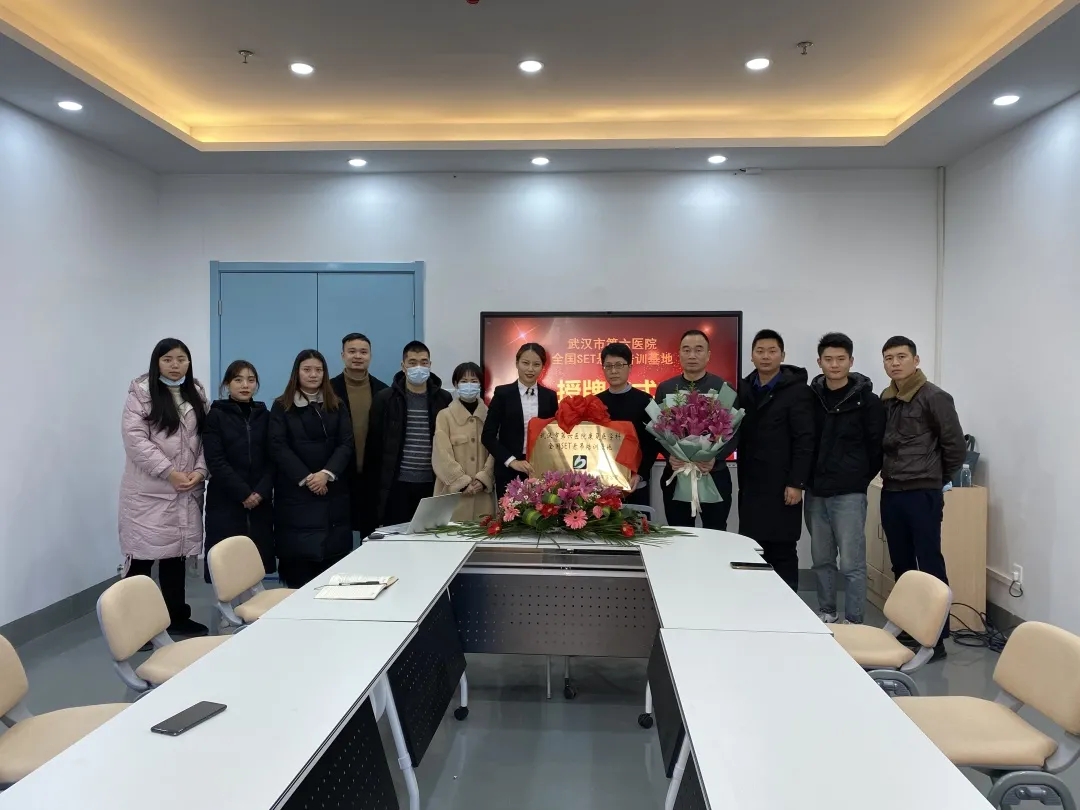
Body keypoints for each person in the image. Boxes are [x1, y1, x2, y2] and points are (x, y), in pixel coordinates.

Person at [880, 336, 966, 658]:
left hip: (922, 493)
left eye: (901, 356)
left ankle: (936, 638)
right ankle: (908, 626)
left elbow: (955, 447)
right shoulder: (886, 398)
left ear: (916, 360)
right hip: (892, 490)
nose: (895, 363)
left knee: (929, 564)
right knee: (901, 565)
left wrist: (936, 479)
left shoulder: (935, 397)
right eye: (888, 358)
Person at [118, 338, 209, 637]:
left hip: (184, 490)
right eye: (167, 359)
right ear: (157, 363)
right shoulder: (141, 394)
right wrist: (169, 472)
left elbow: (207, 438)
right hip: (148, 493)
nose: (175, 365)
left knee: (175, 556)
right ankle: (135, 630)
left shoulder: (196, 393)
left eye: (181, 359)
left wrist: (200, 471)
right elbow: (135, 441)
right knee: (141, 560)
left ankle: (177, 618)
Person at [805, 333, 885, 625]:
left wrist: (857, 477)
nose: (835, 364)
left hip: (849, 493)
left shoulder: (868, 402)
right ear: (819, 362)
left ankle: (854, 620)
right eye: (828, 359)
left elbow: (877, 448)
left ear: (851, 361)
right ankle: (827, 612)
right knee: (822, 559)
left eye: (841, 359)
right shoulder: (811, 399)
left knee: (852, 562)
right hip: (816, 492)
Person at [736, 329, 814, 591]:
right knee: (752, 547)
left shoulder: (798, 391)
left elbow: (805, 440)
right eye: (760, 351)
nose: (766, 356)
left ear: (782, 355)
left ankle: (788, 604)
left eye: (772, 351)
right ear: (751, 356)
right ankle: (755, 602)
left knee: (783, 547)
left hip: (784, 484)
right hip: (751, 484)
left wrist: (797, 482)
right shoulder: (744, 389)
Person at [269, 350, 354, 588]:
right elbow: (277, 446)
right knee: (299, 573)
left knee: (332, 572)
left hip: (332, 492)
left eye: (318, 370)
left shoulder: (336, 404)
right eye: (307, 369)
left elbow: (346, 443)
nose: (313, 374)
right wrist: (308, 478)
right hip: (296, 495)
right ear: (297, 373)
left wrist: (326, 474)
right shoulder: (282, 406)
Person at [365, 341, 452, 526]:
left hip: (432, 483)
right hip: (397, 485)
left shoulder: (444, 399)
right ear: (403, 366)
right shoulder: (385, 399)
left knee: (429, 536)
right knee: (398, 537)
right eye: (412, 362)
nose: (418, 367)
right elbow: (374, 446)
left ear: (430, 365)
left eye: (423, 362)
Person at [654, 330, 736, 529]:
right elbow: (658, 429)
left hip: (714, 473)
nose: (692, 355)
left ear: (708, 355)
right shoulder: (666, 388)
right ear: (679, 354)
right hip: (677, 473)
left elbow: (734, 432)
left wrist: (715, 458)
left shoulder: (723, 388)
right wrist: (669, 455)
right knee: (680, 533)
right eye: (687, 350)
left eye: (698, 350)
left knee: (716, 534)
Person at [203, 360, 275, 584]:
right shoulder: (215, 416)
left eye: (251, 380)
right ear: (227, 384)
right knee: (227, 565)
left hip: (260, 500)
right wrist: (243, 493)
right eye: (238, 379)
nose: (245, 385)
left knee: (256, 562)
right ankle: (228, 604)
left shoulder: (265, 415)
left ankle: (255, 601)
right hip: (226, 499)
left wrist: (260, 492)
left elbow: (274, 458)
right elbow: (215, 460)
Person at [329, 333, 388, 537]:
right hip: (338, 474)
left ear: (370, 356)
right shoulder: (329, 389)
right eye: (352, 351)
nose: (357, 356)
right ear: (342, 355)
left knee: (371, 534)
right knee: (338, 534)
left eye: (363, 352)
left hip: (372, 475)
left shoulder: (383, 391)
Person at [483, 342, 558, 499]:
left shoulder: (550, 396)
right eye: (525, 363)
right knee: (510, 514)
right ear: (517, 363)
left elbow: (553, 435)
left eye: (536, 364)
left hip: (540, 469)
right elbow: (487, 436)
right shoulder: (503, 394)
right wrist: (512, 461)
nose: (530, 369)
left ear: (543, 367)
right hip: (508, 470)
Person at [595, 342, 661, 506]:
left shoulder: (645, 401)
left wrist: (640, 474)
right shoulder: (595, 402)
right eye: (608, 366)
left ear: (630, 367)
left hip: (635, 484)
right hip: (602, 485)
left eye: (619, 365)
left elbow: (653, 443)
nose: (614, 371)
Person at [433, 362, 496, 521]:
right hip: (452, 495)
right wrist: (460, 482)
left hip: (483, 496)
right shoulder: (444, 416)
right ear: (455, 384)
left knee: (484, 532)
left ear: (480, 384)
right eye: (464, 381)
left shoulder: (491, 416)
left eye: (474, 381)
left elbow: (496, 451)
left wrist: (484, 478)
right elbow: (441, 454)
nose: (469, 385)